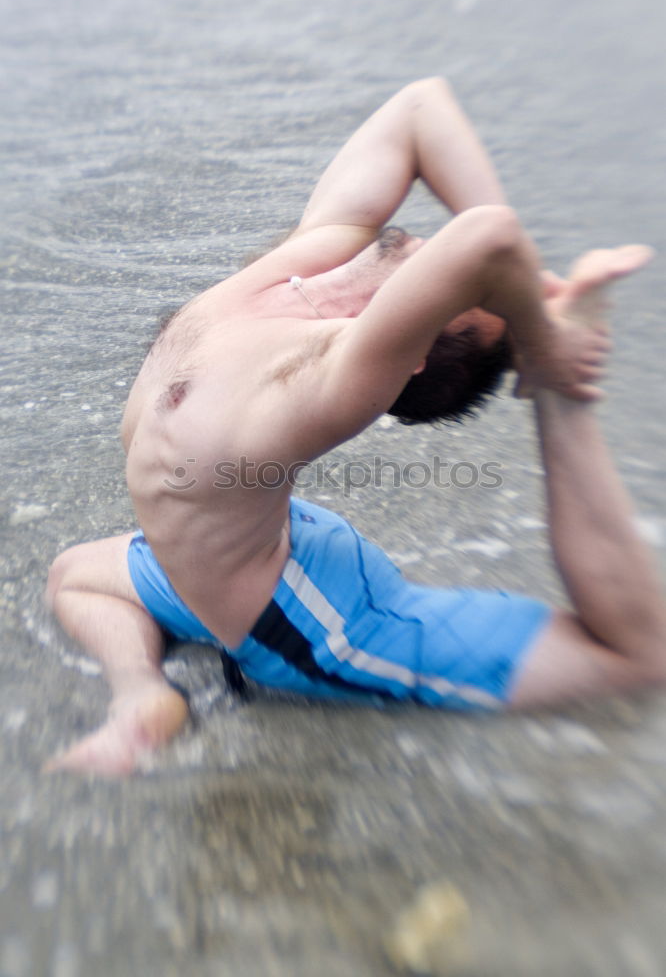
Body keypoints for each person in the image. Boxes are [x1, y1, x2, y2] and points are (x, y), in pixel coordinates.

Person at [45, 78, 665, 776]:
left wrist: (544, 344)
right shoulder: (295, 273)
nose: (433, 247)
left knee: (637, 656)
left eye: (469, 293)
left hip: (315, 624)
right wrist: (530, 291)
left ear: (415, 335)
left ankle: (561, 403)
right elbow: (419, 108)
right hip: (273, 547)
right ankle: (141, 699)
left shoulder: (329, 374)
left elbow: (490, 239)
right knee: (74, 575)